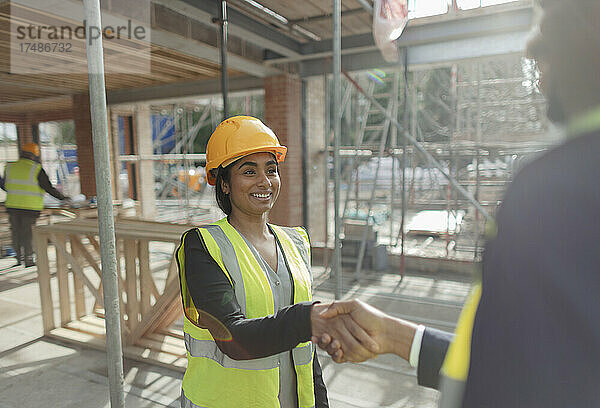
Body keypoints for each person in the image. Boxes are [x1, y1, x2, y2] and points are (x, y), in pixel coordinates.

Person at [314, 0, 600, 406]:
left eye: (548, 23)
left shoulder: (555, 192)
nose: (534, 48)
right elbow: (540, 358)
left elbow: (514, 382)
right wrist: (399, 337)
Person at [176, 116, 378, 408]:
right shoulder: (202, 246)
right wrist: (308, 319)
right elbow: (232, 337)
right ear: (224, 184)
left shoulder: (294, 242)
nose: (265, 181)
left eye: (271, 170)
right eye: (249, 171)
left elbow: (305, 351)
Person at [2, 142, 70, 267]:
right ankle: (28, 260)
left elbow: (5, 185)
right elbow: (48, 188)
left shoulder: (10, 167)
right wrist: (63, 198)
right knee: (27, 234)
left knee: (16, 232)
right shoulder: (36, 169)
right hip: (29, 208)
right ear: (34, 155)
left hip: (12, 206)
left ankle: (18, 259)